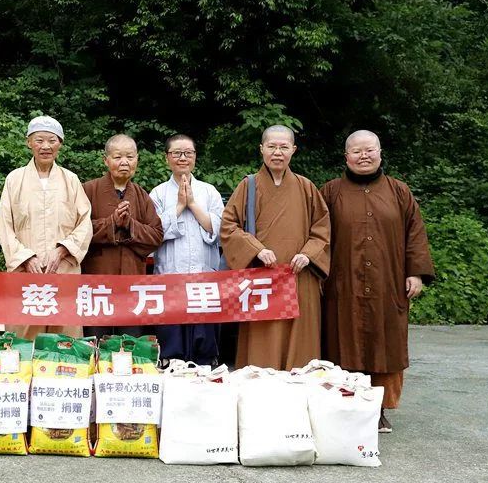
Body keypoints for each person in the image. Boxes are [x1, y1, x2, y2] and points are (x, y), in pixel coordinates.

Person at [321, 130, 434, 433]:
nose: (364, 156)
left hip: (388, 283)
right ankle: (345, 406)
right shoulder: (330, 192)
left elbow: (415, 233)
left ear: (380, 153)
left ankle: (379, 409)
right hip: (343, 284)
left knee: (385, 345)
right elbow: (317, 236)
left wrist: (416, 272)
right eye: (356, 151)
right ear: (346, 156)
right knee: (343, 343)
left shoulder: (399, 191)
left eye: (369, 150)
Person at [220, 125, 331, 370]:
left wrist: (307, 254)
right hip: (262, 278)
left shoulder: (306, 187)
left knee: (300, 342)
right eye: (272, 146)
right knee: (263, 339)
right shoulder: (248, 185)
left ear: (293, 150)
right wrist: (256, 249)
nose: (277, 152)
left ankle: (300, 398)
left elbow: (322, 230)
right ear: (262, 149)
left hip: (298, 276)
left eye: (283, 147)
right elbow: (228, 226)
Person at [0, 116, 93, 339]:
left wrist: (62, 251)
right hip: (25, 271)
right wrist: (26, 258)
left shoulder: (71, 179)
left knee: (65, 334)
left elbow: (85, 223)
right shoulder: (15, 179)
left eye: (52, 140)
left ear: (60, 143)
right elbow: (4, 226)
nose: (46, 146)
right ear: (29, 142)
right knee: (24, 332)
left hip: (64, 269)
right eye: (39, 140)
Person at [149, 134, 225, 365]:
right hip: (170, 274)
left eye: (188, 153)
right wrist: (179, 207)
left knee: (203, 333)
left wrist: (192, 203)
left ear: (195, 157)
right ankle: (170, 363)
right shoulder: (158, 193)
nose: (183, 158)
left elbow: (220, 229)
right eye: (176, 153)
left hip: (203, 274)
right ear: (167, 158)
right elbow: (154, 232)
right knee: (172, 333)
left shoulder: (209, 191)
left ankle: (205, 363)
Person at [81, 134, 163, 338]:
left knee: (130, 339)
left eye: (130, 157)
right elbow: (76, 231)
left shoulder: (141, 195)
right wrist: (111, 223)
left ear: (137, 160)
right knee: (96, 337)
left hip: (132, 279)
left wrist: (129, 225)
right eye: (118, 157)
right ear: (106, 160)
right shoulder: (88, 190)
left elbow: (156, 235)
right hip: (97, 279)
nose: (124, 162)